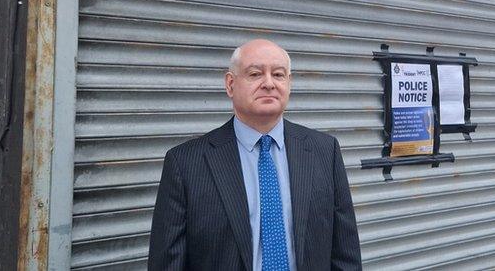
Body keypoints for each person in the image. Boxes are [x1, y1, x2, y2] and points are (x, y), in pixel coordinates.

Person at [148, 39, 362, 270]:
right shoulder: (185, 163)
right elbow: (167, 263)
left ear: (289, 83)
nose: (269, 83)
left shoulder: (324, 151)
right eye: (255, 74)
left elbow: (345, 253)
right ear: (230, 84)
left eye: (278, 75)